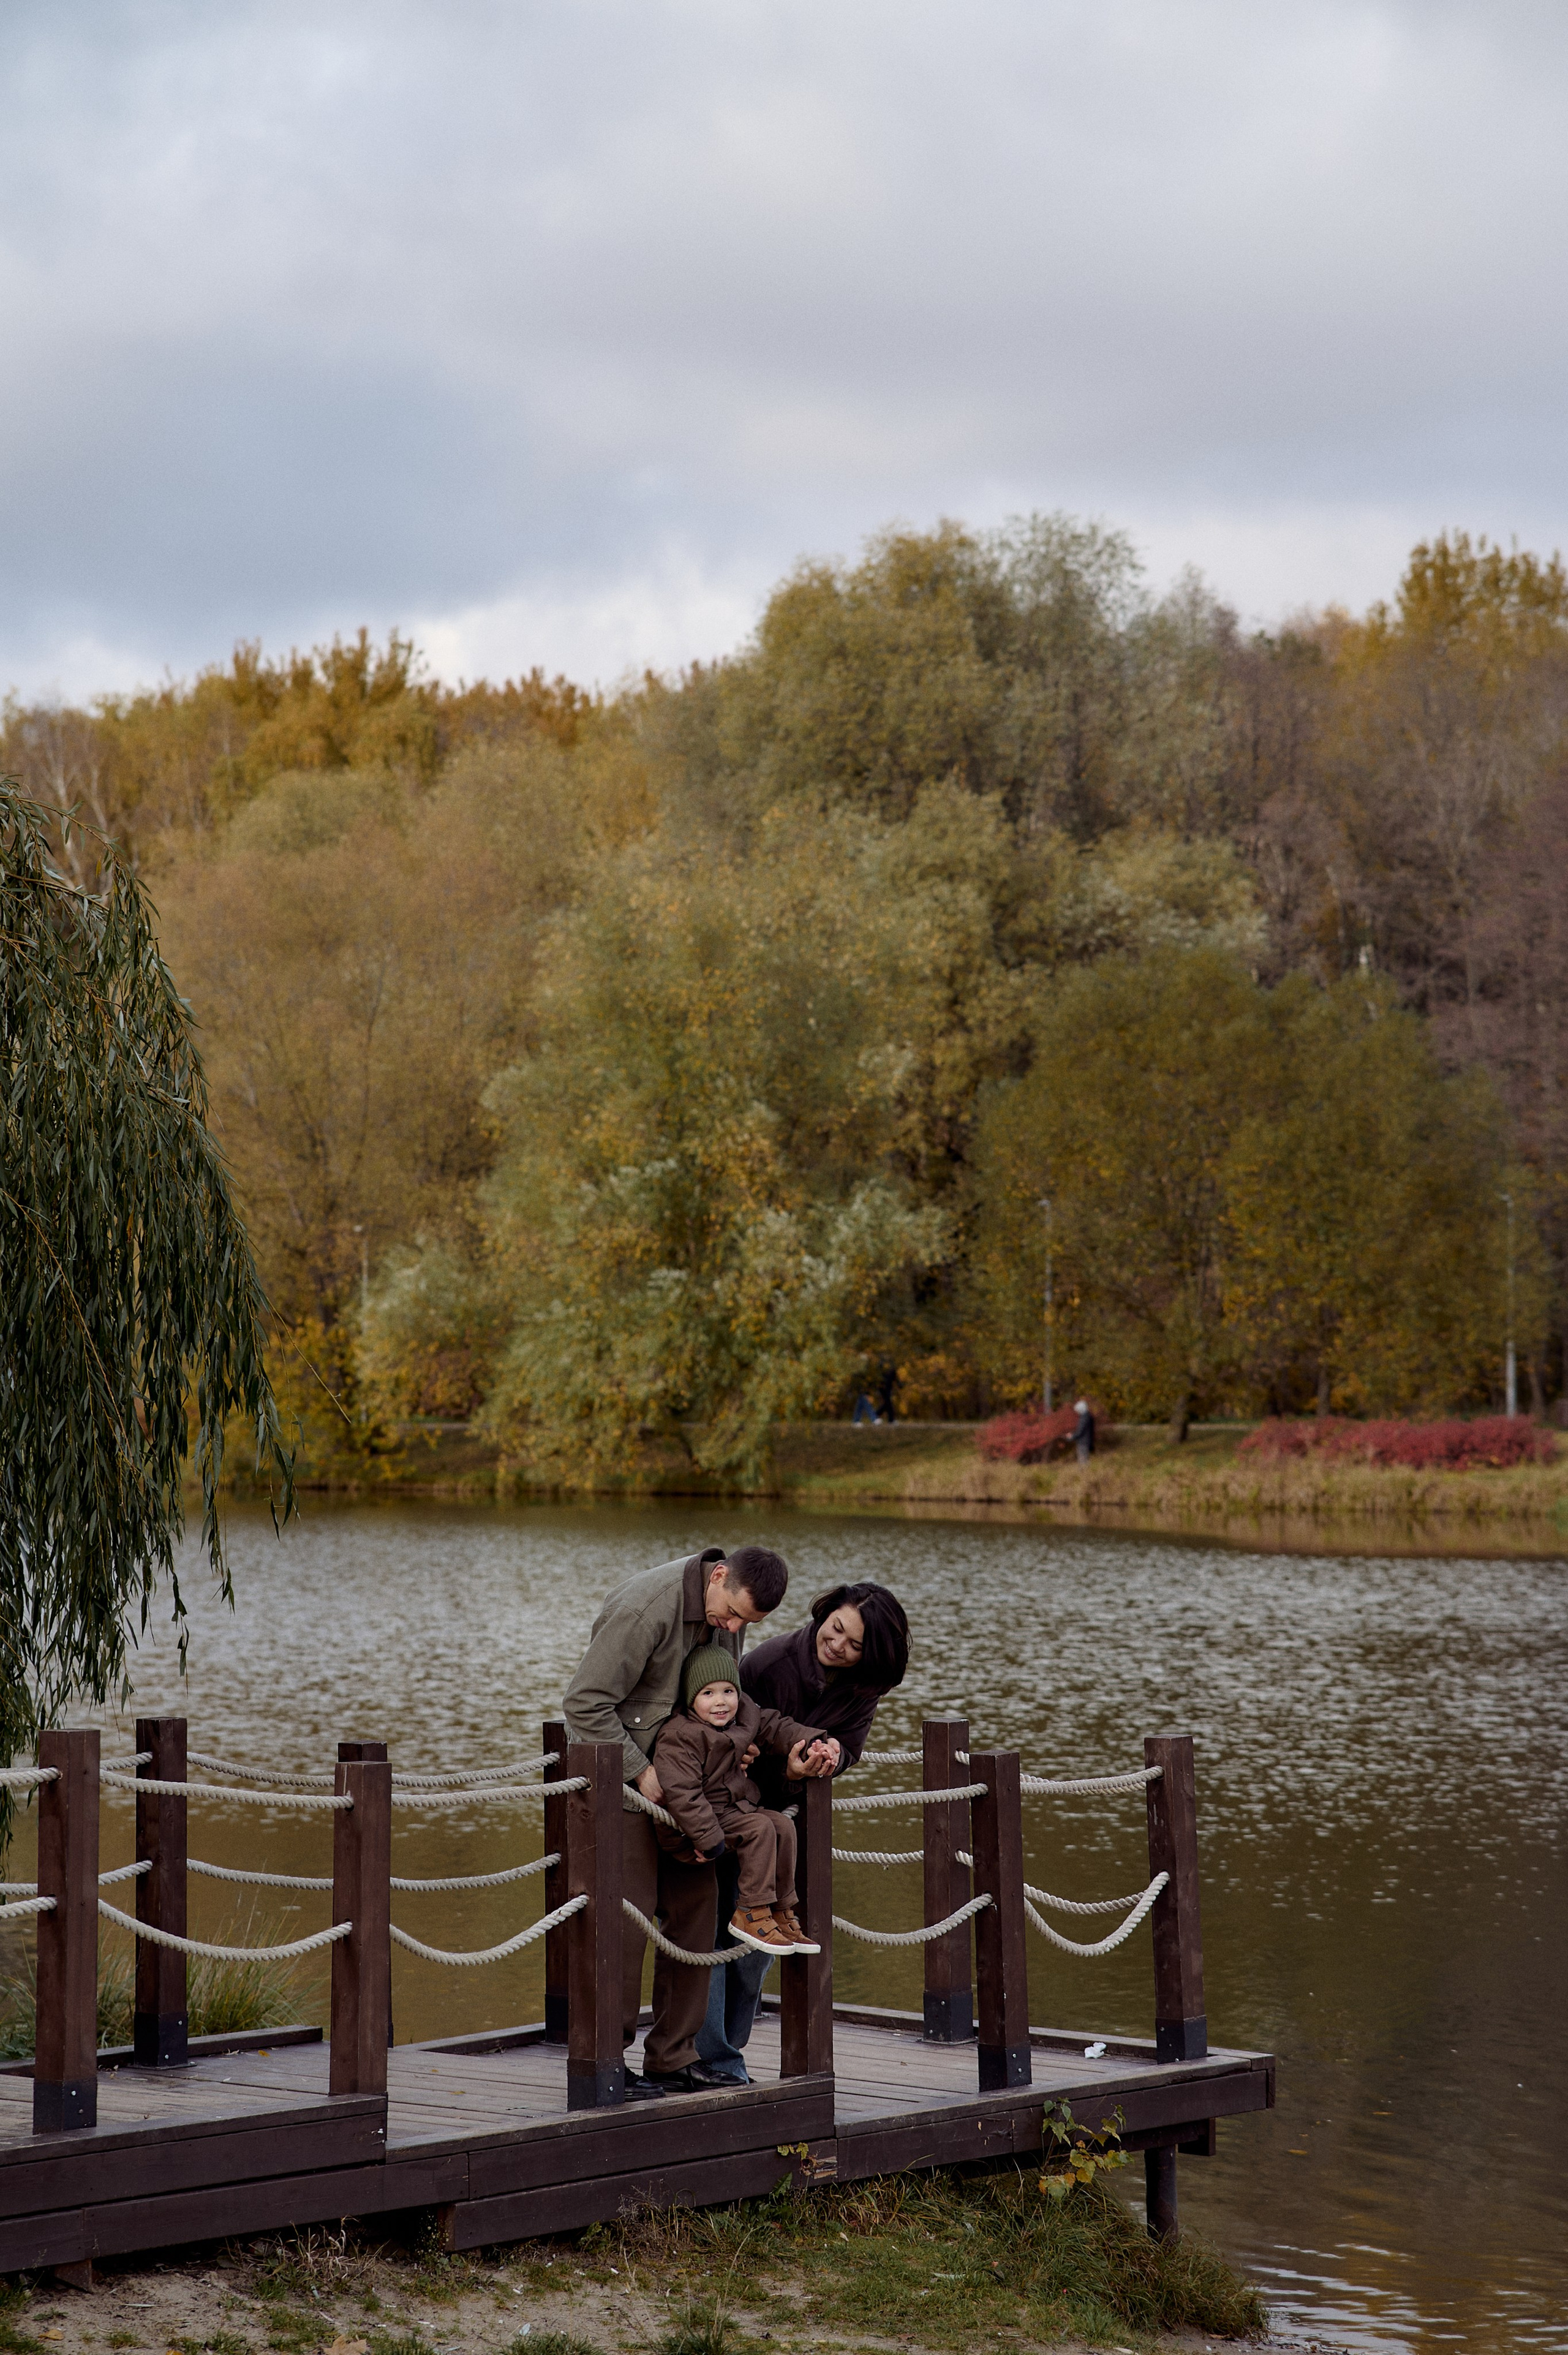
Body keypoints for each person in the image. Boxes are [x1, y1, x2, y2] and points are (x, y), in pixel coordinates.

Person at [563, 1542, 812, 2098]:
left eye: (744, 1623)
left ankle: (675, 2058)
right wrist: (643, 1775)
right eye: (731, 1614)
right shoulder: (644, 1609)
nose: (732, 1627)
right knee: (625, 1926)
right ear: (718, 1575)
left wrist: (741, 1749)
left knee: (698, 1919)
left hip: (697, 1801)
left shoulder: (730, 1608)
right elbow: (583, 1704)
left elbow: (724, 1697)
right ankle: (606, 2063)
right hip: (630, 1795)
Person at [695, 1579, 910, 2084]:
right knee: (713, 1937)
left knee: (756, 1954)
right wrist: (787, 1771)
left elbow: (851, 1747)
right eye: (836, 1629)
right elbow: (720, 1755)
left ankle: (727, 2057)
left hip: (785, 1831)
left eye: (855, 1645)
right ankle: (714, 2062)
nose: (838, 1645)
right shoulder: (768, 1665)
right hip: (727, 1819)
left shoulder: (863, 1687)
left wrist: (831, 1758)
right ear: (826, 1612)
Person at [652, 1646, 836, 1955]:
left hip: (734, 1810)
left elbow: (778, 1727)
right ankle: (750, 1911)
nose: (721, 1701)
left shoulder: (745, 1716)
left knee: (781, 1826)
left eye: (728, 1690)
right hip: (695, 1828)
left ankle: (781, 1910)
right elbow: (683, 1795)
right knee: (760, 1829)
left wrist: (816, 1743)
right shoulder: (679, 1736)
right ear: (690, 1698)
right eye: (708, 1693)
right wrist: (707, 1838)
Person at [1071, 1398, 1096, 1464]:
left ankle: (1084, 1474)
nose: (1077, 1412)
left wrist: (1072, 1436)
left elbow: (1080, 1432)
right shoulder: (1089, 1417)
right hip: (1088, 1442)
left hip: (1083, 1443)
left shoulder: (1084, 1418)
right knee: (1085, 1460)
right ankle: (1086, 1473)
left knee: (1083, 1461)